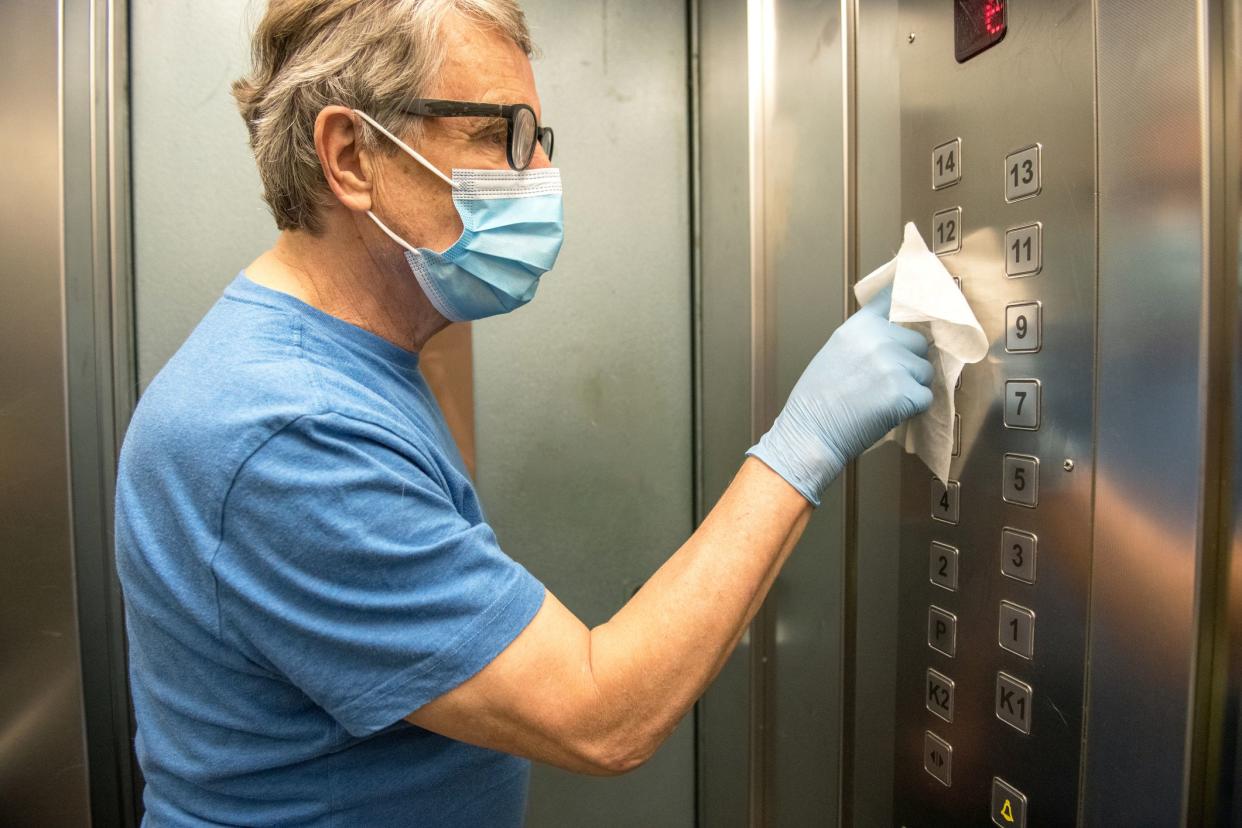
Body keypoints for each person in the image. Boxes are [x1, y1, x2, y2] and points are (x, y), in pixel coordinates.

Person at [113, 0, 934, 825]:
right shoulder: (286, 433)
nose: (534, 177)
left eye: (538, 140)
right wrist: (807, 439)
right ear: (352, 156)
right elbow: (600, 716)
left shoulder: (348, 350)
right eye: (497, 136)